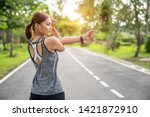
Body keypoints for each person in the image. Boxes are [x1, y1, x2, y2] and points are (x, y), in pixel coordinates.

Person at [25, 12, 95, 100]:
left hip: (35, 93)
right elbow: (61, 46)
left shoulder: (30, 44)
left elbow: (59, 42)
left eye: (51, 25)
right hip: (53, 92)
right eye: (48, 24)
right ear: (37, 25)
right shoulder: (50, 41)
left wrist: (53, 29)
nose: (50, 27)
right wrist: (83, 38)